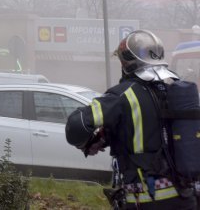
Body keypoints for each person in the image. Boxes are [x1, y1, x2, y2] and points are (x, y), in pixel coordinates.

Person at [65, 30, 197, 209]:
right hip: (186, 196)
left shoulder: (123, 94)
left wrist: (84, 142)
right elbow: (154, 131)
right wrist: (105, 138)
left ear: (126, 61)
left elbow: (76, 125)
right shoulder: (178, 88)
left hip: (147, 199)